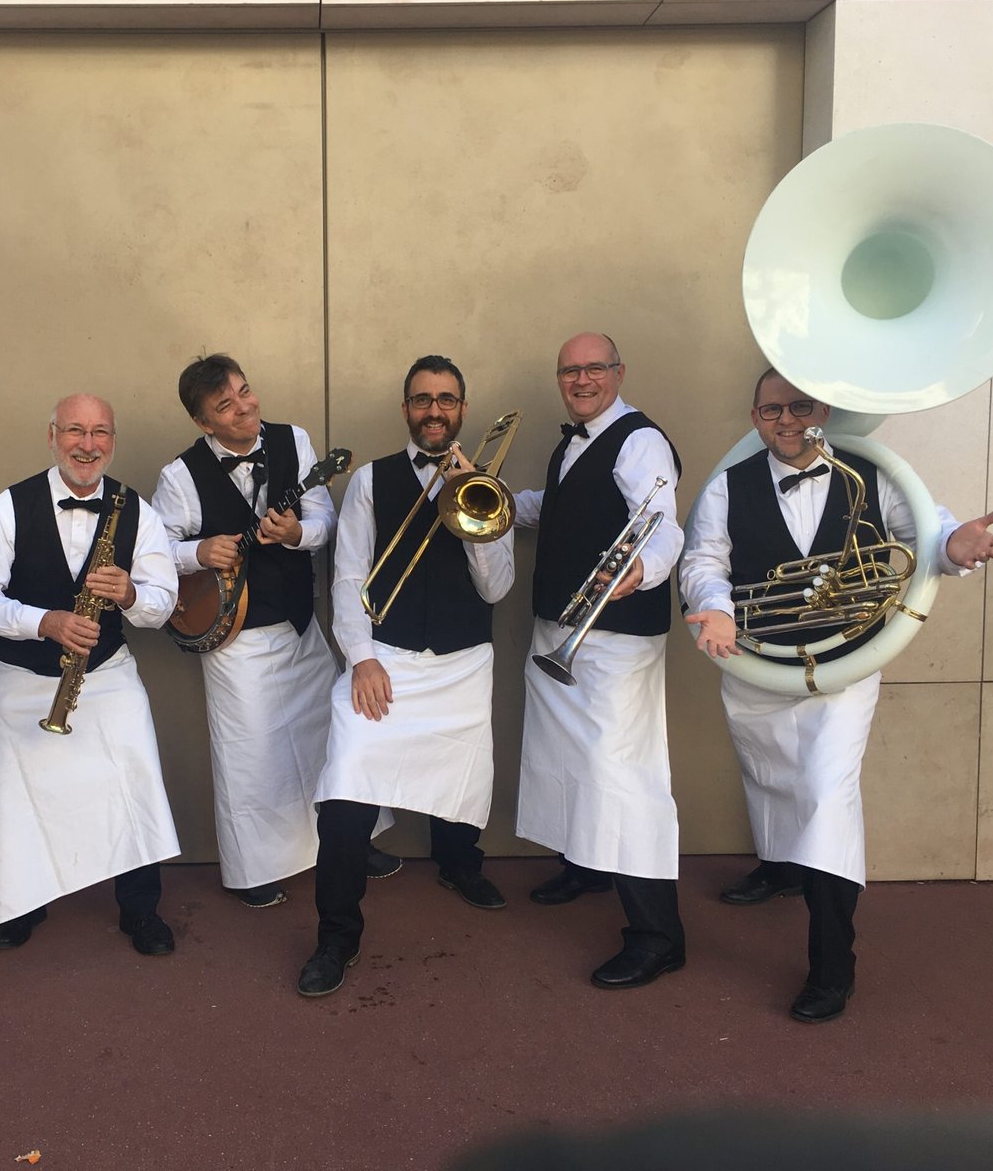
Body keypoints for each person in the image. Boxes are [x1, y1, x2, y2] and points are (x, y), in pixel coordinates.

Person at [680, 368, 993, 1023]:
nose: (786, 420)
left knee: (828, 799)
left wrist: (955, 544)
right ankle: (780, 868)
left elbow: (928, 529)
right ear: (754, 418)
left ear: (823, 411)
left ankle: (834, 964)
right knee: (770, 775)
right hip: (758, 666)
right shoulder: (726, 485)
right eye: (771, 410)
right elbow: (704, 560)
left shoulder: (871, 474)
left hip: (845, 669)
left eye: (799, 406)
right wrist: (713, 606)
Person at [296, 354, 515, 998]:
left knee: (461, 778)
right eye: (423, 399)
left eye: (446, 400)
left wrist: (475, 507)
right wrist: (361, 657)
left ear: (463, 410)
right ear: (406, 410)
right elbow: (347, 575)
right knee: (346, 790)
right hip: (385, 657)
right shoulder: (371, 479)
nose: (434, 411)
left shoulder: (487, 483)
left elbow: (496, 588)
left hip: (462, 661)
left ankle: (459, 864)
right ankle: (336, 937)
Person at [151, 354, 399, 909]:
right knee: (249, 754)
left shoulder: (295, 441)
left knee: (330, 737)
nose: (245, 408)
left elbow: (326, 521)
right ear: (203, 421)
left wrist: (296, 534)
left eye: (246, 392)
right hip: (233, 637)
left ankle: (351, 844)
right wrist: (198, 552)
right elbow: (154, 551)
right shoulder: (179, 476)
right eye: (226, 405)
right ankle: (252, 869)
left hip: (299, 621)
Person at [0, 394, 182, 956]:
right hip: (21, 679)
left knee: (134, 782)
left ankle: (141, 911)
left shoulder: (138, 512)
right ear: (52, 436)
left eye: (100, 433)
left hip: (106, 673)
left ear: (113, 441)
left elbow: (162, 604)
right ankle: (18, 905)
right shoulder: (8, 508)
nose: (87, 445)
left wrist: (131, 594)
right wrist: (45, 622)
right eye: (75, 431)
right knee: (12, 798)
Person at [513, 332, 688, 989]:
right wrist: (497, 500)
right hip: (560, 626)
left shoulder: (640, 441)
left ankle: (658, 936)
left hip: (614, 637)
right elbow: (564, 506)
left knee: (623, 774)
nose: (582, 380)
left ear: (618, 372)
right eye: (570, 371)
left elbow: (663, 522)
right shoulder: (574, 443)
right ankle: (586, 865)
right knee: (566, 756)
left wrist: (643, 570)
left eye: (594, 368)